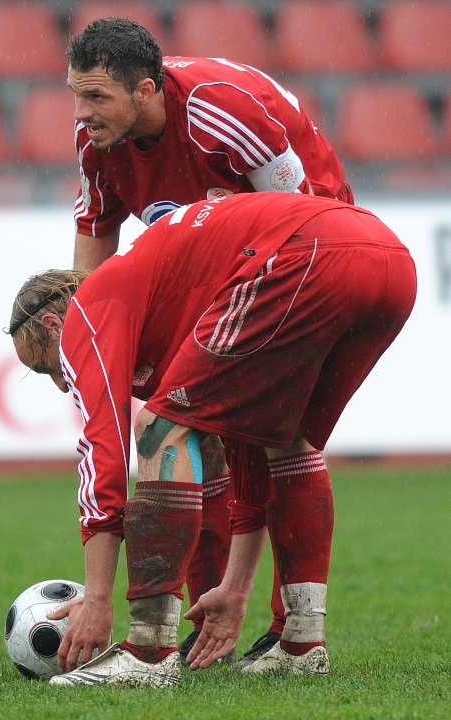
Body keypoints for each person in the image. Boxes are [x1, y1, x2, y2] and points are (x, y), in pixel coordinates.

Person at [7, 191, 416, 686]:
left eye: (47, 366)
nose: (60, 382)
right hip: (389, 260)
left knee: (159, 428)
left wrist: (97, 598)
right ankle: (302, 644)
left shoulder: (89, 312)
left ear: (53, 325)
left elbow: (103, 452)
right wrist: (235, 588)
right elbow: (244, 450)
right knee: (287, 444)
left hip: (306, 253)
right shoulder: (167, 301)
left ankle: (148, 653)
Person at [66, 16, 355, 666]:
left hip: (309, 249)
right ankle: (221, 624)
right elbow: (94, 236)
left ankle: (286, 633)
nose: (81, 114)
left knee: (257, 434)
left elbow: (303, 216)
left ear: (145, 90)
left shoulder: (220, 111)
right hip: (221, 268)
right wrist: (88, 334)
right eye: (76, 96)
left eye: (96, 97)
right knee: (202, 430)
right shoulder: (98, 141)